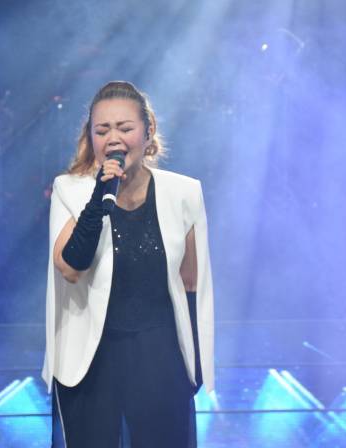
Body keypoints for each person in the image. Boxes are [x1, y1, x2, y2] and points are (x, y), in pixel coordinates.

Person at [42, 81, 214, 447]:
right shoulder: (70, 189)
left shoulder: (184, 192)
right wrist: (99, 197)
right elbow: (71, 267)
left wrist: (195, 366)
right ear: (91, 137)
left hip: (158, 353)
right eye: (102, 130)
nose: (113, 139)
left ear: (148, 131)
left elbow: (191, 282)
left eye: (124, 128)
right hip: (91, 360)